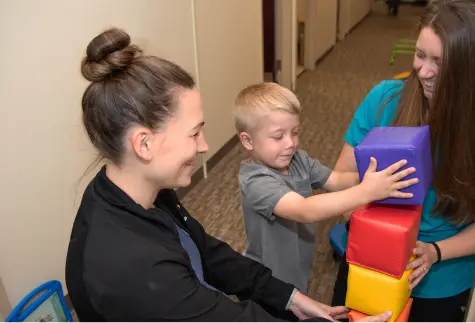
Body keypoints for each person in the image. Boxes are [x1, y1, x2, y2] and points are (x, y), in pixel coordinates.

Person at [65, 27, 394, 323]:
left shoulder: (144, 189)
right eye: (194, 134)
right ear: (144, 143)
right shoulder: (132, 269)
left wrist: (290, 297)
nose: (205, 146)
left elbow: (206, 251)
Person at [330, 1, 475, 322]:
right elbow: (340, 178)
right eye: (420, 54)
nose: (423, 71)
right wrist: (358, 197)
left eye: (438, 62)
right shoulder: (384, 100)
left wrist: (434, 252)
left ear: (470, 70)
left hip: (441, 280)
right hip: (369, 264)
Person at [233, 83, 419, 298]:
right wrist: (367, 191)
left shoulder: (298, 160)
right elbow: (304, 210)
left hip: (296, 271)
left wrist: (372, 177)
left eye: (295, 132)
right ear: (248, 140)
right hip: (266, 282)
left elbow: (337, 179)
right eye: (278, 136)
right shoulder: (255, 180)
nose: (290, 143)